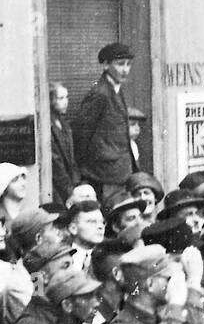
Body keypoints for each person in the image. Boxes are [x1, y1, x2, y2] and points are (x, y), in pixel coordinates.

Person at [74, 41, 138, 204]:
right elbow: (82, 133)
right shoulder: (100, 94)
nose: (125, 70)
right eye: (120, 64)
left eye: (128, 64)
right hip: (104, 173)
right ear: (106, 65)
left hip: (119, 170)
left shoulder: (116, 88)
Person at [49, 83, 78, 205]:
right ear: (51, 101)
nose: (66, 102)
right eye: (61, 98)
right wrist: (69, 191)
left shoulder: (63, 124)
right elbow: (56, 163)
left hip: (70, 182)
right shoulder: (48, 125)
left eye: (66, 97)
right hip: (57, 188)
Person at [65, 200, 107, 272]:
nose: (100, 227)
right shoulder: (60, 255)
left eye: (102, 222)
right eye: (92, 222)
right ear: (73, 228)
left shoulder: (108, 255)